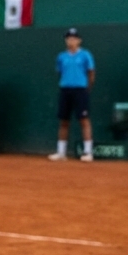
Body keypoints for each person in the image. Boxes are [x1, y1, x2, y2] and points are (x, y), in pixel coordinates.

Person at [49, 28, 95, 162]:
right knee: (64, 121)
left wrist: (87, 88)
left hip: (81, 90)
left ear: (79, 40)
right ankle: (61, 152)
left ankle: (88, 152)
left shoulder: (86, 55)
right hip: (65, 90)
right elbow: (59, 73)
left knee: (84, 121)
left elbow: (91, 73)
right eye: (68, 38)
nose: (71, 41)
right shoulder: (61, 57)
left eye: (74, 38)